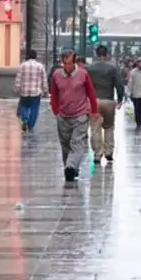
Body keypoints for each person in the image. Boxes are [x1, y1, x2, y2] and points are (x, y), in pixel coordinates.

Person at [49, 51, 100, 182]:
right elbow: (53, 94)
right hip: (63, 116)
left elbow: (91, 94)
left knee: (77, 144)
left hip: (80, 115)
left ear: (75, 62)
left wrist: (94, 111)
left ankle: (71, 167)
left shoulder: (83, 74)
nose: (67, 66)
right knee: (65, 145)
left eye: (69, 63)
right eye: (64, 63)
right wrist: (56, 111)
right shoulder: (56, 75)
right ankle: (70, 168)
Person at [86, 45, 126, 165]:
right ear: (107, 54)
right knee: (109, 127)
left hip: (94, 102)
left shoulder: (89, 68)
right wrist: (119, 99)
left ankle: (98, 153)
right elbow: (119, 84)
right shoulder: (113, 67)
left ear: (96, 53)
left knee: (95, 128)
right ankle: (109, 152)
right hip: (108, 101)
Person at [14, 49, 48, 133]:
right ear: (36, 56)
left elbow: (18, 78)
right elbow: (44, 79)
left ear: (28, 56)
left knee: (24, 107)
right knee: (34, 109)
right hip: (36, 92)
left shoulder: (22, 65)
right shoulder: (40, 66)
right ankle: (31, 125)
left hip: (24, 91)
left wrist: (17, 88)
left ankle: (25, 119)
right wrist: (45, 89)